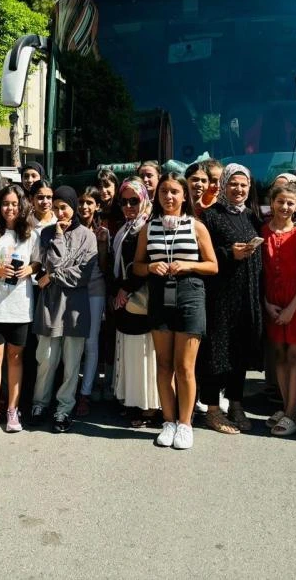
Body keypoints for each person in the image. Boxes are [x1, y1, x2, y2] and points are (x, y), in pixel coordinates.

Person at [133, 173, 217, 450]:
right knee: (164, 364)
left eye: (174, 192)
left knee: (184, 366)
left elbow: (212, 265)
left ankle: (185, 423)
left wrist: (188, 264)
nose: (169, 197)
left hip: (190, 295)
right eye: (164, 192)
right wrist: (149, 268)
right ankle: (168, 421)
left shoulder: (197, 226)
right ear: (157, 196)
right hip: (159, 297)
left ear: (185, 196)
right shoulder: (148, 227)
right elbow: (137, 266)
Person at [199, 164, 263, 434]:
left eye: (243, 185)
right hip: (220, 296)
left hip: (248, 296)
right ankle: (213, 410)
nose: (238, 190)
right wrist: (229, 254)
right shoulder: (211, 216)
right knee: (216, 352)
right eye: (233, 184)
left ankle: (236, 404)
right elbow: (204, 253)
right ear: (223, 185)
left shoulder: (252, 216)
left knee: (239, 352)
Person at [30, 186, 98, 433]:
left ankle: (64, 409)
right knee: (46, 359)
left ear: (74, 207)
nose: (59, 212)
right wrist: (57, 237)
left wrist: (52, 277)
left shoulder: (87, 236)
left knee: (71, 363)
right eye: (56, 207)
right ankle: (40, 404)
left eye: (64, 207)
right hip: (49, 306)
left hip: (75, 309)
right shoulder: (47, 234)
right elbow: (46, 265)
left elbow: (83, 274)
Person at [0, 185, 37, 433]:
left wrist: (30, 269)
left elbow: (38, 261)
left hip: (20, 307)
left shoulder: (30, 234)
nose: (10, 208)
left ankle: (13, 410)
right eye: (5, 204)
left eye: (14, 204)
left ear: (22, 206)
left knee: (16, 358)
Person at [260, 182, 296, 437]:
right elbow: (258, 274)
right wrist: (266, 304)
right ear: (272, 203)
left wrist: (292, 308)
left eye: (291, 203)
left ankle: (292, 412)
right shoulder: (261, 233)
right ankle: (285, 404)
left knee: (294, 356)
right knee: (278, 355)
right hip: (272, 303)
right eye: (281, 202)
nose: (285, 207)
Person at [110, 178, 159, 426]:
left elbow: (145, 265)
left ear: (145, 200)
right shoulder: (125, 228)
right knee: (129, 351)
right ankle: (131, 401)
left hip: (140, 298)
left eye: (134, 200)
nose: (129, 206)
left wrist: (126, 289)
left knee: (143, 354)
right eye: (124, 201)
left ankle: (148, 407)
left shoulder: (147, 227)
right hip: (124, 301)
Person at [75, 186, 110, 415]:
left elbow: (106, 268)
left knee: (91, 343)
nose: (85, 207)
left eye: (90, 202)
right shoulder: (70, 228)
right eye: (81, 202)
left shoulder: (103, 231)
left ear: (97, 205)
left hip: (96, 290)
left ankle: (85, 394)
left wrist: (102, 245)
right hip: (72, 291)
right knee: (72, 344)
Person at [95, 168, 120, 232]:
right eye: (100, 187)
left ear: (116, 187)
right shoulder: (94, 209)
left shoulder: (122, 208)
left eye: (107, 186)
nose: (103, 190)